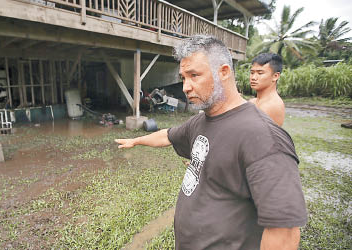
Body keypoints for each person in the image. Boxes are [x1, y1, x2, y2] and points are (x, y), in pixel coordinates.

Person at [115, 35, 307, 250]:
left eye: (194, 75)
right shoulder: (200, 121)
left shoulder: (264, 138)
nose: (186, 87)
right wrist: (137, 140)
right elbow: (168, 135)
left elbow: (285, 232)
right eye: (184, 77)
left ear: (223, 72)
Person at [249, 53, 285, 126]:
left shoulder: (273, 105)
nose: (253, 77)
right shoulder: (252, 101)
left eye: (260, 73)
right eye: (252, 73)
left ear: (275, 76)